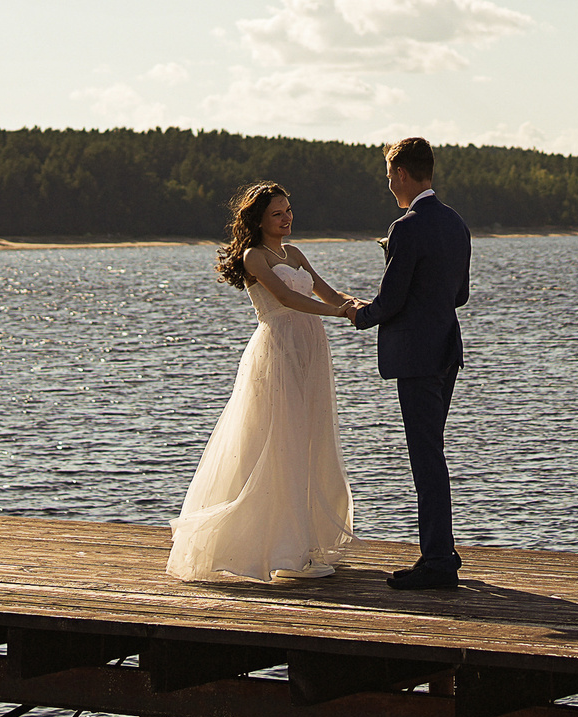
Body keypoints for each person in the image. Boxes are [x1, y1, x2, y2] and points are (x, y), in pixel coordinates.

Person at [168, 182, 362, 583]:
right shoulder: (254, 256)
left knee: (309, 439)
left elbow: (327, 292)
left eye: (289, 210)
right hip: (277, 350)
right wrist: (341, 314)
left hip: (310, 349)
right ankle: (279, 549)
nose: (287, 218)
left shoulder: (294, 253)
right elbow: (287, 300)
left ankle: (304, 543)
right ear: (258, 219)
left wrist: (360, 304)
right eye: (278, 213)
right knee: (277, 442)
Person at [347, 137, 471, 590]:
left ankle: (438, 560)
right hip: (446, 352)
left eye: (388, 175)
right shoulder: (456, 223)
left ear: (401, 173)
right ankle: (442, 551)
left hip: (418, 357)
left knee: (426, 457)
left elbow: (392, 299)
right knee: (432, 453)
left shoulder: (408, 226)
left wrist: (361, 314)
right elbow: (460, 295)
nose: (388, 184)